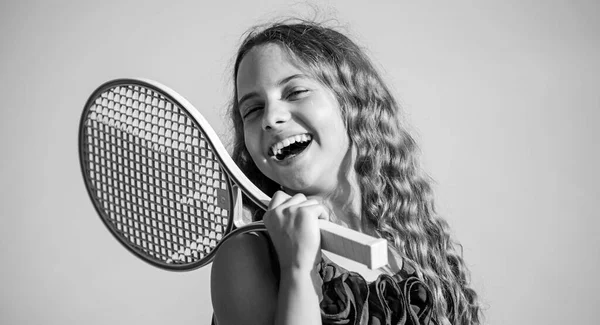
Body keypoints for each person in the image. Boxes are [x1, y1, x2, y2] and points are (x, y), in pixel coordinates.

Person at [210, 19, 482, 325]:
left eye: (296, 92)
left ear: (353, 103)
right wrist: (298, 268)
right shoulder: (247, 254)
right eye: (253, 110)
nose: (271, 118)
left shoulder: (417, 241)